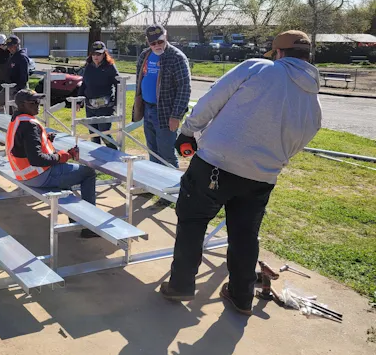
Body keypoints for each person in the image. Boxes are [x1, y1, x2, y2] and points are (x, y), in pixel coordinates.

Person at [160, 30, 322, 316]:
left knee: (193, 221)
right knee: (245, 236)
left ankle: (182, 285)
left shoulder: (259, 67)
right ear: (308, 58)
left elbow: (213, 98)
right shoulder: (314, 103)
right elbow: (299, 142)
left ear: (279, 53)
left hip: (214, 165)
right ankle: (241, 297)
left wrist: (188, 131)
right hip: (261, 177)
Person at [6, 89, 99, 239]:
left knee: (67, 180)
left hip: (24, 174)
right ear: (22, 105)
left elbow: (23, 144)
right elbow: (37, 159)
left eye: (39, 101)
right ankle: (90, 226)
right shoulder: (30, 125)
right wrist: (63, 156)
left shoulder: (17, 119)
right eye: (33, 102)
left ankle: (77, 220)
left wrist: (44, 137)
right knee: (88, 173)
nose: (38, 105)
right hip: (38, 175)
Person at [132, 24, 191, 167]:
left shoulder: (176, 57)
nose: (157, 45)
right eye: (153, 43)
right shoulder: (144, 56)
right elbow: (140, 80)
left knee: (167, 155)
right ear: (148, 42)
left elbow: (184, 88)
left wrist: (176, 116)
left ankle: (170, 188)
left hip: (166, 112)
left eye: (160, 41)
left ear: (166, 37)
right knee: (152, 152)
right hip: (147, 109)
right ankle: (155, 186)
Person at [77, 41, 120, 150]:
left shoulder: (110, 67)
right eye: (94, 54)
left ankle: (115, 154)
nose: (96, 57)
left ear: (104, 54)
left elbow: (119, 85)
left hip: (105, 107)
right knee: (93, 135)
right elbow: (84, 84)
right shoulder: (88, 66)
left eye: (99, 54)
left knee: (104, 133)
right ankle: (97, 160)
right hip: (90, 106)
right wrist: (79, 100)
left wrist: (116, 104)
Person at [0, 35, 30, 111]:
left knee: (15, 109)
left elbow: (24, 76)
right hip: (8, 86)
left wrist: (18, 90)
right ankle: (3, 120)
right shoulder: (12, 55)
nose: (9, 49)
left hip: (17, 88)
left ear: (17, 45)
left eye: (11, 46)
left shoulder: (22, 57)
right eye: (8, 47)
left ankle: (15, 121)